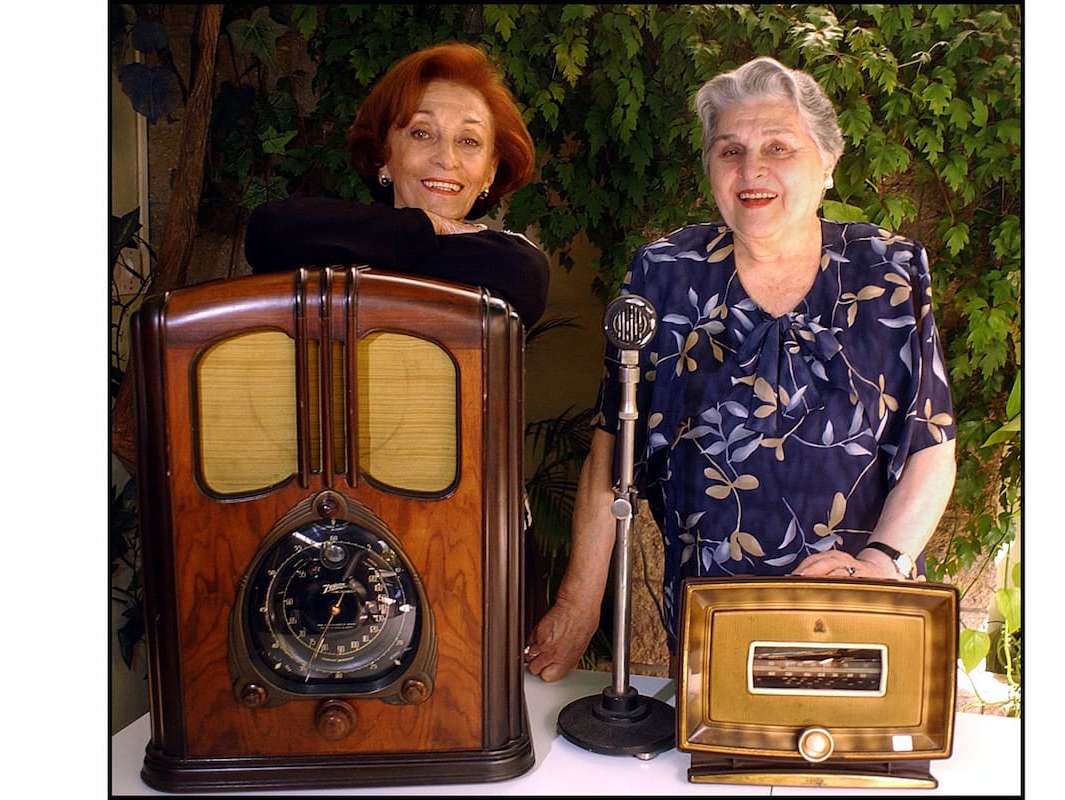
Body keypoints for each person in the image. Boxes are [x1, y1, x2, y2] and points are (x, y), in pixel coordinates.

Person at [524, 56, 957, 682]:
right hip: (713, 615)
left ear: (828, 161)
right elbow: (613, 449)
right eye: (730, 151)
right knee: (718, 738)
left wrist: (883, 563)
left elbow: (931, 443)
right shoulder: (665, 274)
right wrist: (578, 604)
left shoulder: (889, 272)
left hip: (861, 605)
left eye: (779, 147)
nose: (752, 170)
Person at [244, 42, 549, 326]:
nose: (447, 159)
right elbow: (269, 231)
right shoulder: (317, 229)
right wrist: (427, 225)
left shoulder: (511, 261)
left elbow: (523, 272)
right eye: (421, 133)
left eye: (469, 140)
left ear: (491, 171)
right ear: (383, 155)